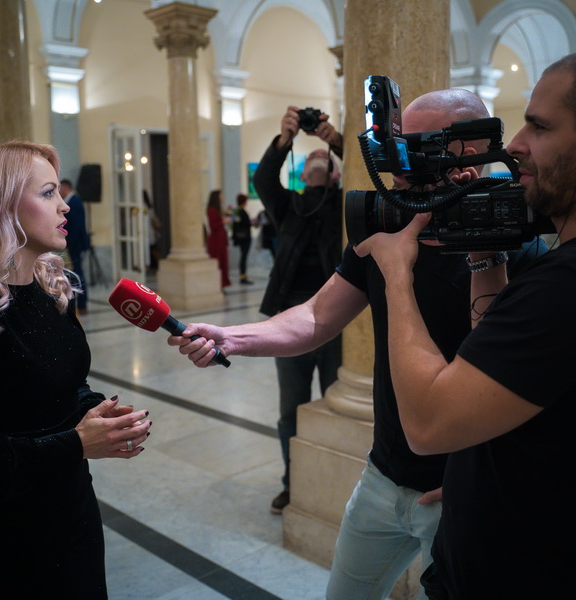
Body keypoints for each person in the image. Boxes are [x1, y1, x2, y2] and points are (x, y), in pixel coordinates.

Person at [168, 90, 544, 599]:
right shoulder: (386, 226)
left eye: (413, 151)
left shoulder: (515, 248)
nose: (397, 168)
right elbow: (316, 317)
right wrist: (230, 337)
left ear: (468, 154)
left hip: (459, 491)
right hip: (383, 478)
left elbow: (521, 385)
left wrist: (482, 475)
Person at [353, 45, 576, 599]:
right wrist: (486, 257)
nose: (515, 146)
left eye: (539, 126)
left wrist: (396, 273)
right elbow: (515, 389)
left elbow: (428, 425)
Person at [0, 141, 152, 597]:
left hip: (73, 516)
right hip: (7, 540)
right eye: (47, 193)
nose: (64, 205)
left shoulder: (51, 290)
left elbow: (61, 385)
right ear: (0, 206)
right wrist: (76, 443)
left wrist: (96, 411)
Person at [251, 106, 345, 514]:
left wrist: (336, 141)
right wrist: (285, 140)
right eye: (310, 158)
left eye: (324, 157)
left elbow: (370, 172)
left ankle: (337, 482)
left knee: (338, 405)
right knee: (291, 408)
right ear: (301, 173)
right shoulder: (288, 206)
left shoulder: (345, 205)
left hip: (337, 322)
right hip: (290, 324)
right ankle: (293, 483)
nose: (317, 158)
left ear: (336, 172)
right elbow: (262, 180)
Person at [59, 178, 90, 314]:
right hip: (73, 243)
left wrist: (68, 244)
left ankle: (82, 303)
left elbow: (76, 226)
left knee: (77, 274)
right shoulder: (70, 201)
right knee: (75, 273)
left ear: (66, 188)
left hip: (75, 244)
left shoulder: (75, 202)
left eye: (59, 189)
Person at [206, 189, 231, 288]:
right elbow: (213, 225)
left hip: (220, 237)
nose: (223, 197)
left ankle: (222, 283)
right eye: (221, 195)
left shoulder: (217, 209)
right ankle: (218, 283)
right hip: (216, 239)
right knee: (218, 261)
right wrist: (224, 221)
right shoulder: (212, 210)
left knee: (223, 261)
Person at [233, 193, 254, 284]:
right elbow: (244, 224)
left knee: (243, 257)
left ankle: (243, 276)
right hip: (244, 238)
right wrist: (251, 222)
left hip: (241, 237)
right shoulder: (241, 212)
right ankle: (243, 277)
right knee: (244, 257)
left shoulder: (236, 212)